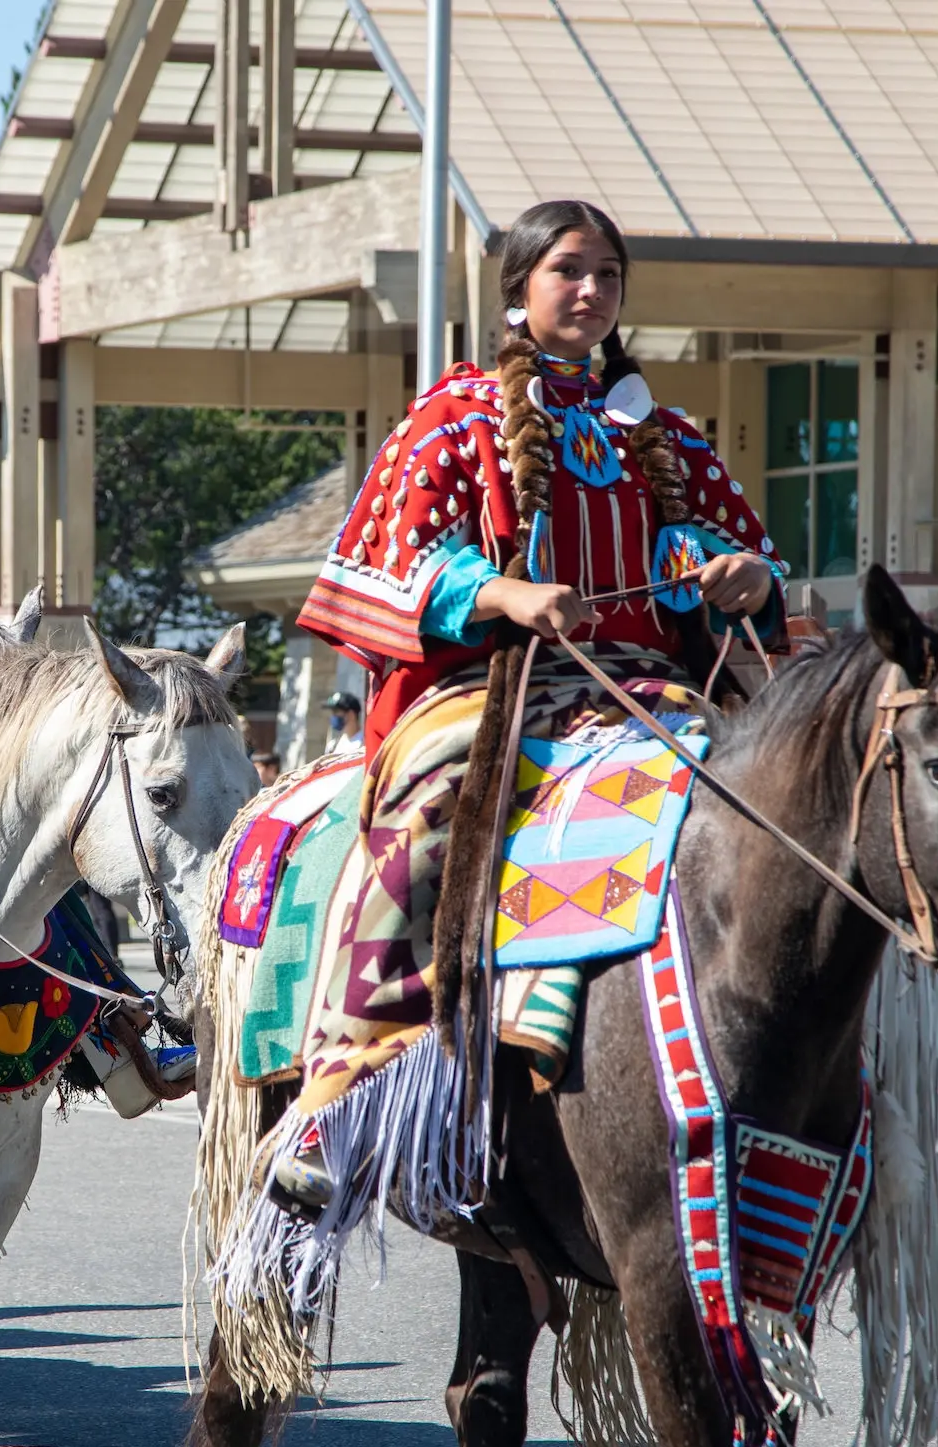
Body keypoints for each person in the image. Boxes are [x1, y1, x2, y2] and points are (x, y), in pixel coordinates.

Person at [265, 199, 783, 1216]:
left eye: (607, 276)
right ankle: (341, 1087)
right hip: (489, 685)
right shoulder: (455, 413)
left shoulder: (663, 434)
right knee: (429, 820)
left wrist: (745, 576)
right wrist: (504, 594)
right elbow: (388, 556)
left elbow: (740, 556)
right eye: (569, 272)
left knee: (766, 809)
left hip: (647, 692)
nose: (591, 292)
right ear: (520, 288)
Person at [321, 690, 362, 756]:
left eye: (336, 711)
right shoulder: (332, 747)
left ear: (351, 714)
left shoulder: (366, 744)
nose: (333, 716)